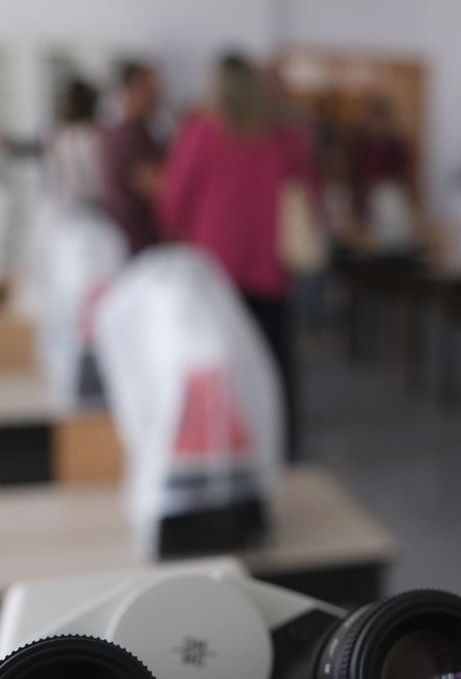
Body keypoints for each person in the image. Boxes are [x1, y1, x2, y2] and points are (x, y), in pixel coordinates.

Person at [160, 53, 320, 460]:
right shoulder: (287, 138)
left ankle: (224, 454)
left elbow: (173, 205)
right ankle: (279, 450)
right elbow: (312, 200)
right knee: (273, 368)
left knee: (220, 370)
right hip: (271, 274)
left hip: (215, 277)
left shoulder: (203, 133)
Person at [103, 60, 167, 253]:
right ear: (130, 90)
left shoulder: (143, 132)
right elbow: (159, 187)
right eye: (149, 89)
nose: (156, 96)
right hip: (136, 247)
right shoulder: (128, 138)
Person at [350, 95, 414, 224]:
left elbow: (404, 170)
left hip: (388, 193)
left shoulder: (395, 143)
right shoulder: (364, 141)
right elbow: (358, 169)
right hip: (368, 192)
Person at [46, 78, 106, 210]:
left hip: (67, 207)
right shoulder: (98, 137)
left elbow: (53, 178)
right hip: (96, 207)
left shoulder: (60, 137)